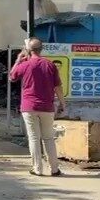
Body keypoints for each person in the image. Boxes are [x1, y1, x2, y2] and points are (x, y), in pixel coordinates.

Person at [10, 38, 66, 177]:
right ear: (41, 49)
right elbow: (57, 86)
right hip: (47, 107)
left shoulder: (25, 64)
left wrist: (18, 60)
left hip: (29, 107)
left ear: (29, 50)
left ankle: (37, 169)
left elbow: (11, 77)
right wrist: (62, 103)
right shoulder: (49, 65)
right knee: (48, 137)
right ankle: (54, 169)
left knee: (34, 138)